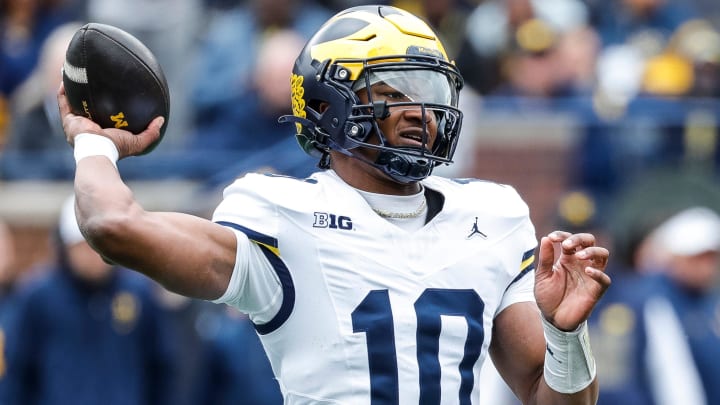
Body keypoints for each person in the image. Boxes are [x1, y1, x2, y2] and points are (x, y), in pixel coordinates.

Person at [58, 5, 611, 404]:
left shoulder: (493, 217)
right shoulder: (278, 214)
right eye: (393, 91)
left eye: (429, 91)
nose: (421, 111)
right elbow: (111, 225)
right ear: (328, 104)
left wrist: (566, 335)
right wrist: (95, 142)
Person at [0, 196, 178, 405]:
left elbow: (160, 366)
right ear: (66, 247)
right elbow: (19, 370)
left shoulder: (138, 292)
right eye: (83, 246)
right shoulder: (38, 296)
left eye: (100, 246)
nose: (93, 256)